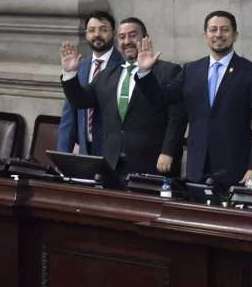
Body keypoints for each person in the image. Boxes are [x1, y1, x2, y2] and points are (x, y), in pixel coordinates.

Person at [135, 10, 252, 186]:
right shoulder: (191, 70)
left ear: (235, 35)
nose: (218, 34)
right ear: (205, 35)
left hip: (237, 169)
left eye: (224, 29)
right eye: (213, 30)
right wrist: (145, 72)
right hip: (197, 168)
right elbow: (161, 100)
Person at [60, 17, 187, 177]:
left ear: (145, 38)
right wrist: (70, 74)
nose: (127, 41)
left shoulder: (169, 71)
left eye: (133, 35)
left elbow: (177, 116)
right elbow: (81, 101)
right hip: (112, 163)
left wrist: (168, 151)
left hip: (153, 163)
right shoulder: (107, 74)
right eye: (122, 37)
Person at [56, 11, 123, 155]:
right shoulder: (79, 67)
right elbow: (70, 113)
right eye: (91, 30)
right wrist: (63, 154)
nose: (97, 35)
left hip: (114, 153)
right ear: (86, 34)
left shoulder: (123, 66)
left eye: (103, 30)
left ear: (114, 33)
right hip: (85, 149)